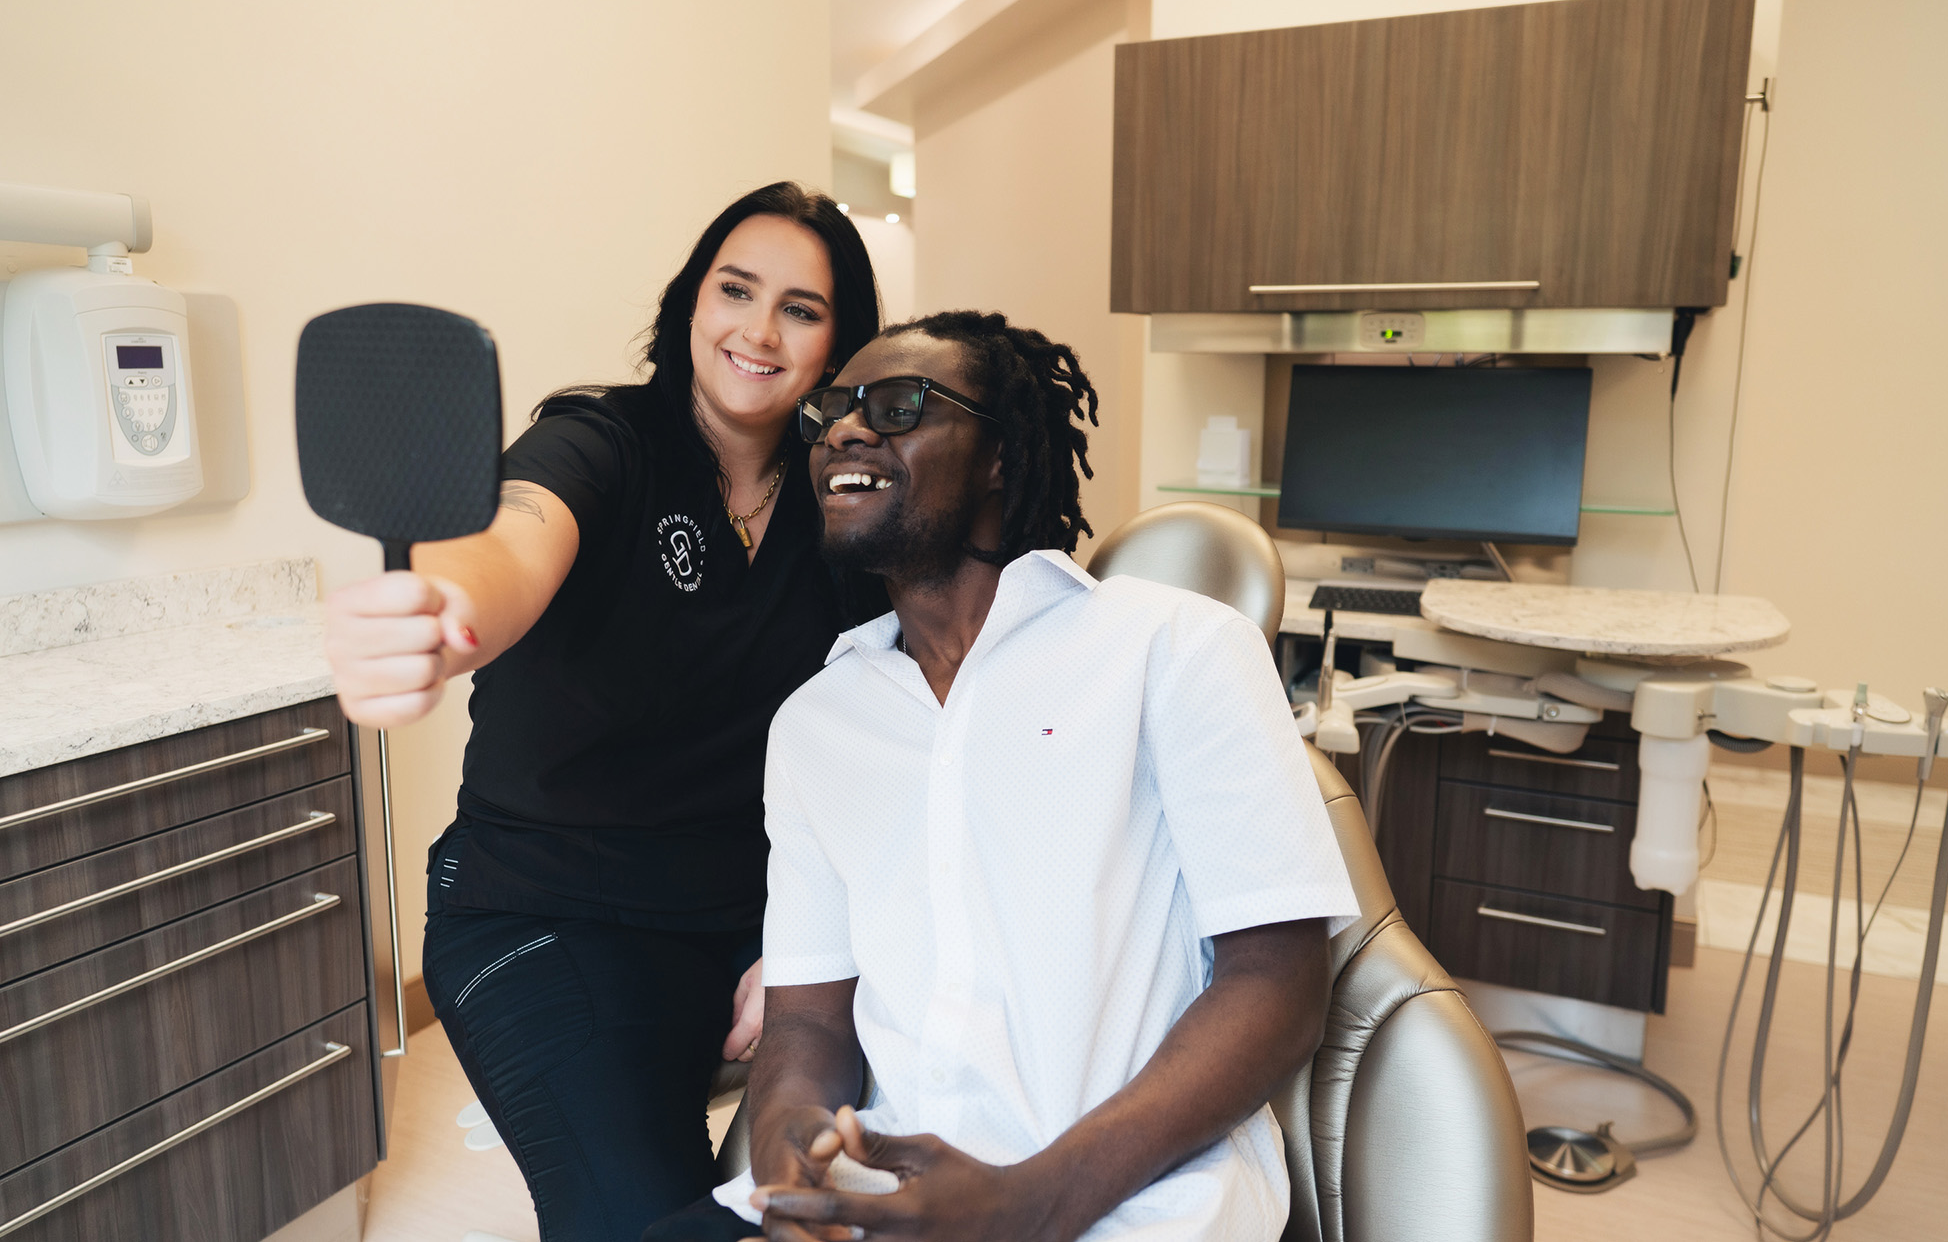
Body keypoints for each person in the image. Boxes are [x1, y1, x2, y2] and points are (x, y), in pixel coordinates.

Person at [648, 311, 1359, 1242]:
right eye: (832, 411)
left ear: (999, 455)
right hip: (885, 1203)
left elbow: (1278, 985)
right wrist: (787, 1142)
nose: (846, 429)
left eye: (898, 405)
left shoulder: (1174, 648)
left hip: (1131, 1211)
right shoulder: (817, 725)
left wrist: (1034, 1201)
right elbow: (809, 1020)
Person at [322, 182, 884, 1241]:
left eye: (800, 309)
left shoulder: (841, 506)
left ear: (837, 345)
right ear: (690, 303)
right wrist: (441, 610)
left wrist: (813, 935)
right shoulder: (603, 441)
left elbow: (882, 732)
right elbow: (509, 541)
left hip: (745, 915)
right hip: (545, 911)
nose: (759, 331)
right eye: (735, 290)